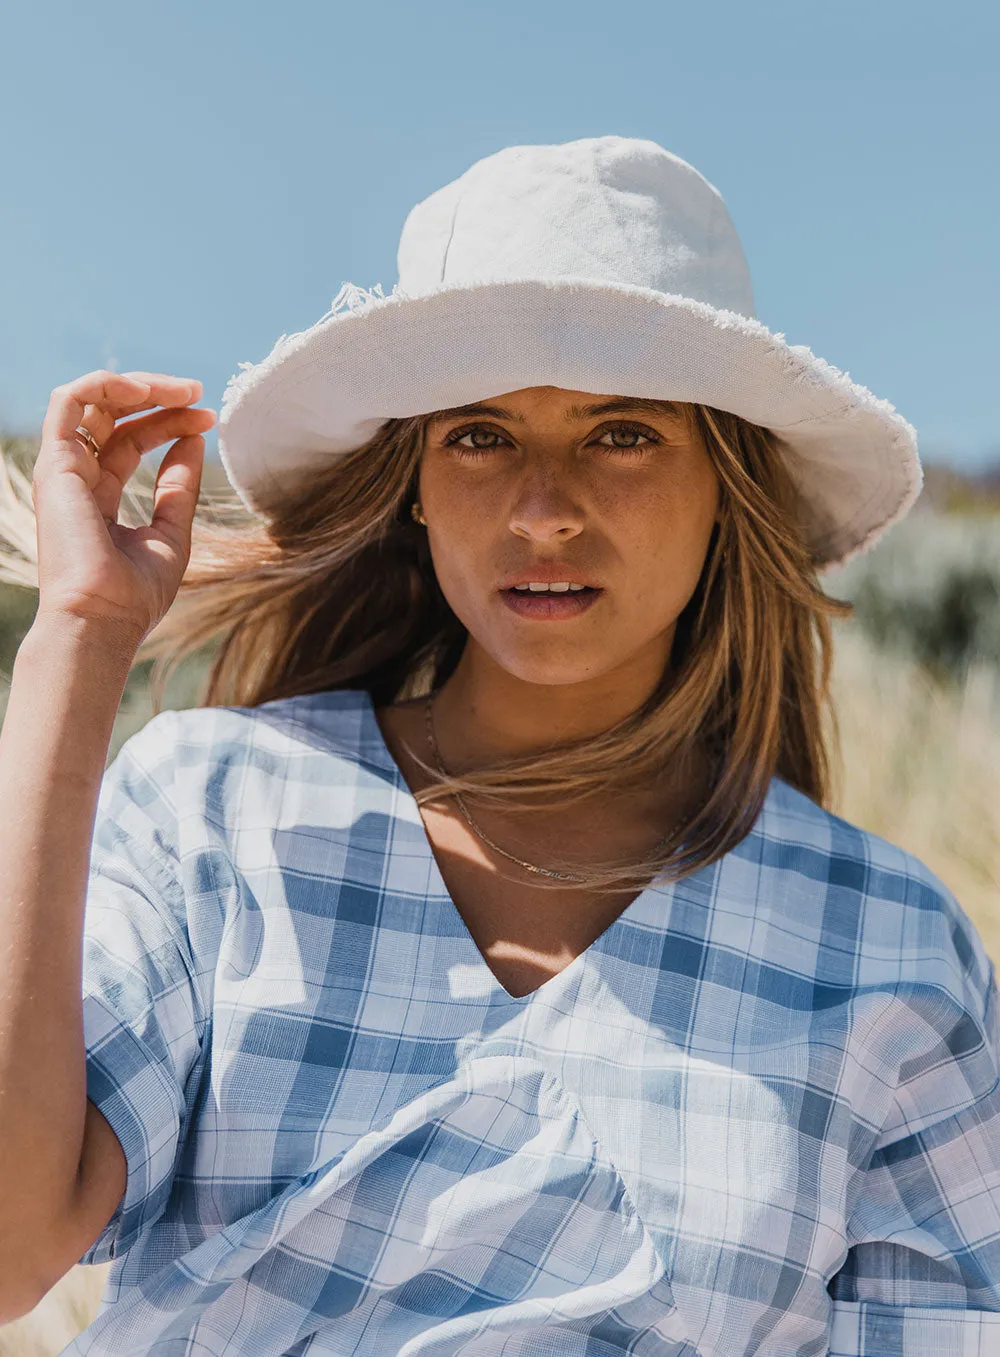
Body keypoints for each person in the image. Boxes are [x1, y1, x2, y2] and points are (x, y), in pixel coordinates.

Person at [0, 136, 997, 1356]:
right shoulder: (216, 806)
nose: (543, 510)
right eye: (479, 434)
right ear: (413, 482)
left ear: (724, 484)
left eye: (621, 433)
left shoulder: (886, 943)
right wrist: (79, 640)